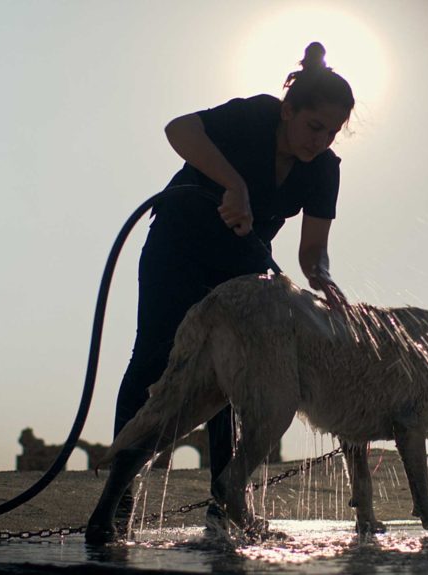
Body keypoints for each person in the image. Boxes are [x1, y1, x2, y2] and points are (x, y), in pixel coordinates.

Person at [113, 42, 355, 529]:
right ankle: (118, 493)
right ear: (289, 110)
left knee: (237, 372)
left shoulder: (325, 168)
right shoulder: (255, 115)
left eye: (332, 132)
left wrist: (323, 280)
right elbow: (178, 129)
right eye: (314, 127)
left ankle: (225, 499)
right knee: (152, 357)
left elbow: (313, 252)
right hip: (178, 244)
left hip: (243, 260)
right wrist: (233, 183)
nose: (320, 140)